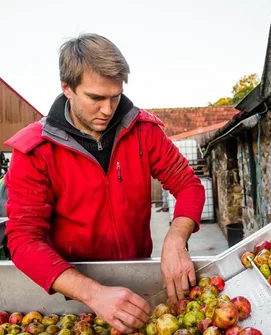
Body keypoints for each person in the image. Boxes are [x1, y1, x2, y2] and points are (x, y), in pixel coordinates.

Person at [4, 33, 205, 332]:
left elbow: (188, 185)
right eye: (96, 98)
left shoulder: (143, 131)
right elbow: (23, 241)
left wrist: (176, 239)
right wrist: (93, 294)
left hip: (138, 275)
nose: (108, 110)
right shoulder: (34, 150)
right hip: (70, 294)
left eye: (116, 96)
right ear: (67, 88)